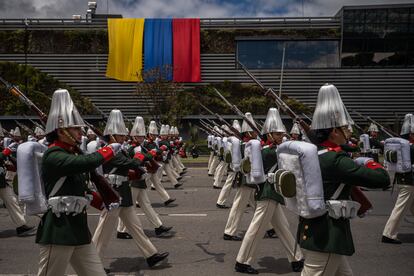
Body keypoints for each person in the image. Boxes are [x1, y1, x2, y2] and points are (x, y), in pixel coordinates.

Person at [300, 84, 390, 275]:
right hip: (327, 234)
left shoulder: (317, 153)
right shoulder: (335, 159)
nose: (349, 131)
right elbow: (382, 179)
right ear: (334, 131)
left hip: (317, 228)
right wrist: (368, 162)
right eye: (345, 128)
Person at [35, 89, 120, 276]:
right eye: (76, 128)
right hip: (59, 229)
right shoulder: (53, 154)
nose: (81, 133)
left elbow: (81, 189)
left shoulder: (70, 153)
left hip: (78, 229)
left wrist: (103, 202)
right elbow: (86, 162)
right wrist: (109, 150)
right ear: (61, 130)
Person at [92, 110, 169, 271]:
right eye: (120, 135)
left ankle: (151, 255)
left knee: (136, 227)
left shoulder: (120, 149)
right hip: (113, 194)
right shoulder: (110, 151)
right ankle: (93, 264)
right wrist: (141, 157)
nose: (124, 138)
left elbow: (130, 165)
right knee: (103, 233)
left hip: (124, 192)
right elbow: (131, 163)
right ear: (112, 136)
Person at [235, 108, 304, 274]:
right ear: (269, 135)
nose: (282, 136)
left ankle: (297, 258)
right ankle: (242, 261)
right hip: (269, 192)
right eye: (278, 134)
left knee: (282, 227)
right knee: (257, 228)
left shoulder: (269, 149)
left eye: (282, 134)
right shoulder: (271, 151)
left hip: (271, 191)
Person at [382, 114, 414, 244]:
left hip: (402, 180)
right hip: (410, 182)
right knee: (400, 208)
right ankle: (388, 234)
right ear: (411, 134)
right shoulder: (410, 147)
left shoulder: (402, 146)